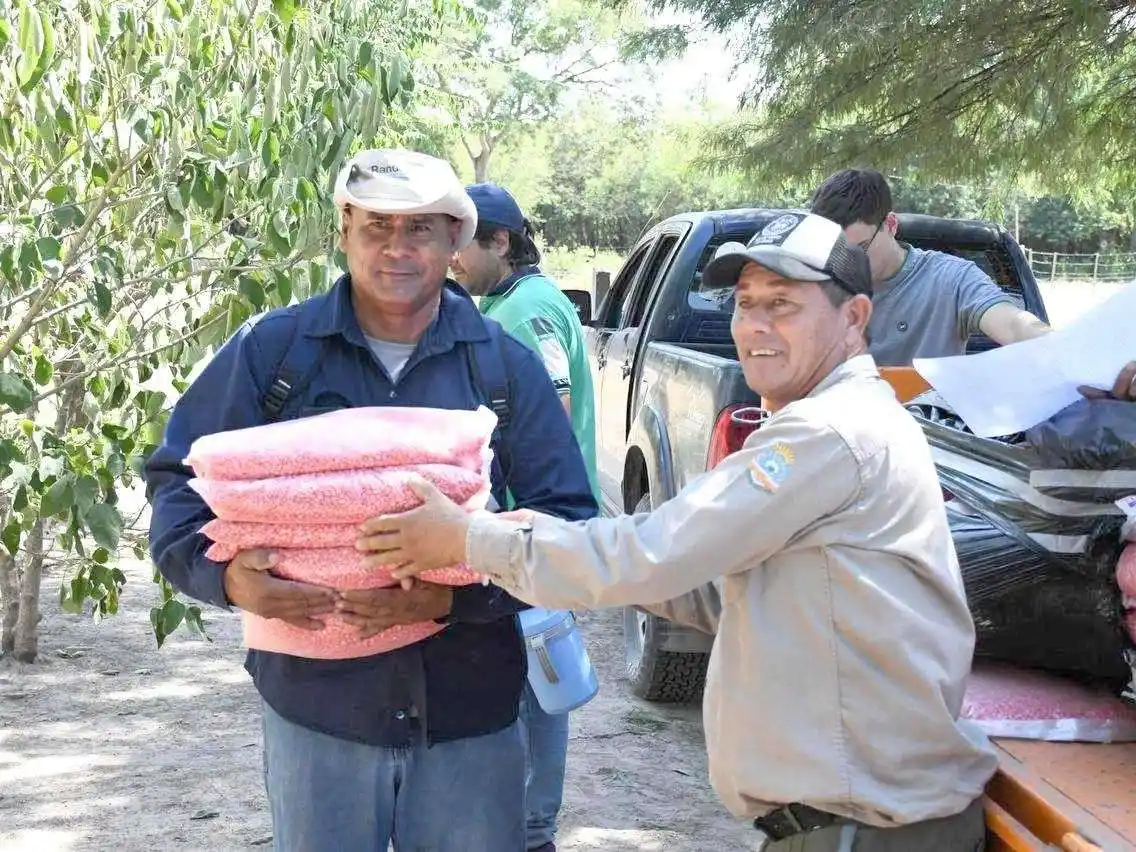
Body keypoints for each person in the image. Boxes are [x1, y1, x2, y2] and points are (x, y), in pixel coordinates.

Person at [363, 211, 1001, 851]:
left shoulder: (829, 434)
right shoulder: (840, 421)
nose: (755, 325)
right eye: (745, 303)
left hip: (864, 831)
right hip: (853, 822)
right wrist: (539, 539)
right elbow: (724, 590)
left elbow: (656, 554)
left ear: (855, 317)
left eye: (782, 304)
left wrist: (469, 539)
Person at [144, 149, 597, 852]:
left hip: (469, 712)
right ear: (344, 232)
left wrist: (450, 600)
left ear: (454, 239)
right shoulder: (274, 354)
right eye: (376, 226)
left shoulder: (502, 367)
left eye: (420, 228)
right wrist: (226, 579)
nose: (396, 248)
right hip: (317, 712)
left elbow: (568, 523)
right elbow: (177, 478)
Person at [451, 182, 598, 852]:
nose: (452, 258)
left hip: (529, 526)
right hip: (516, 530)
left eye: (462, 243)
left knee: (539, 680)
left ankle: (533, 830)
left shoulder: (527, 310)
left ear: (501, 241)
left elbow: (550, 412)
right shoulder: (510, 303)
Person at [809, 167, 1051, 366]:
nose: (845, 261)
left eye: (859, 248)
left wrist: (1062, 353)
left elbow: (1014, 325)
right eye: (834, 250)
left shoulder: (950, 279)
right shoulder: (814, 283)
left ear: (890, 225)